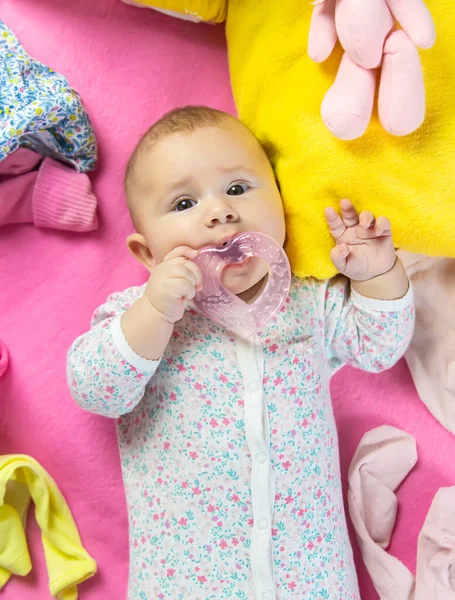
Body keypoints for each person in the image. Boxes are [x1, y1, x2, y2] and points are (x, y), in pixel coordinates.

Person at [67, 106, 414, 599]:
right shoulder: (136, 318)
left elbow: (380, 346)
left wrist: (378, 272)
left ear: (281, 204)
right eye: (185, 202)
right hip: (187, 583)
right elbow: (96, 389)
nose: (219, 212)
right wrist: (154, 311)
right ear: (147, 254)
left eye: (237, 189)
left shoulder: (308, 301)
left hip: (311, 578)